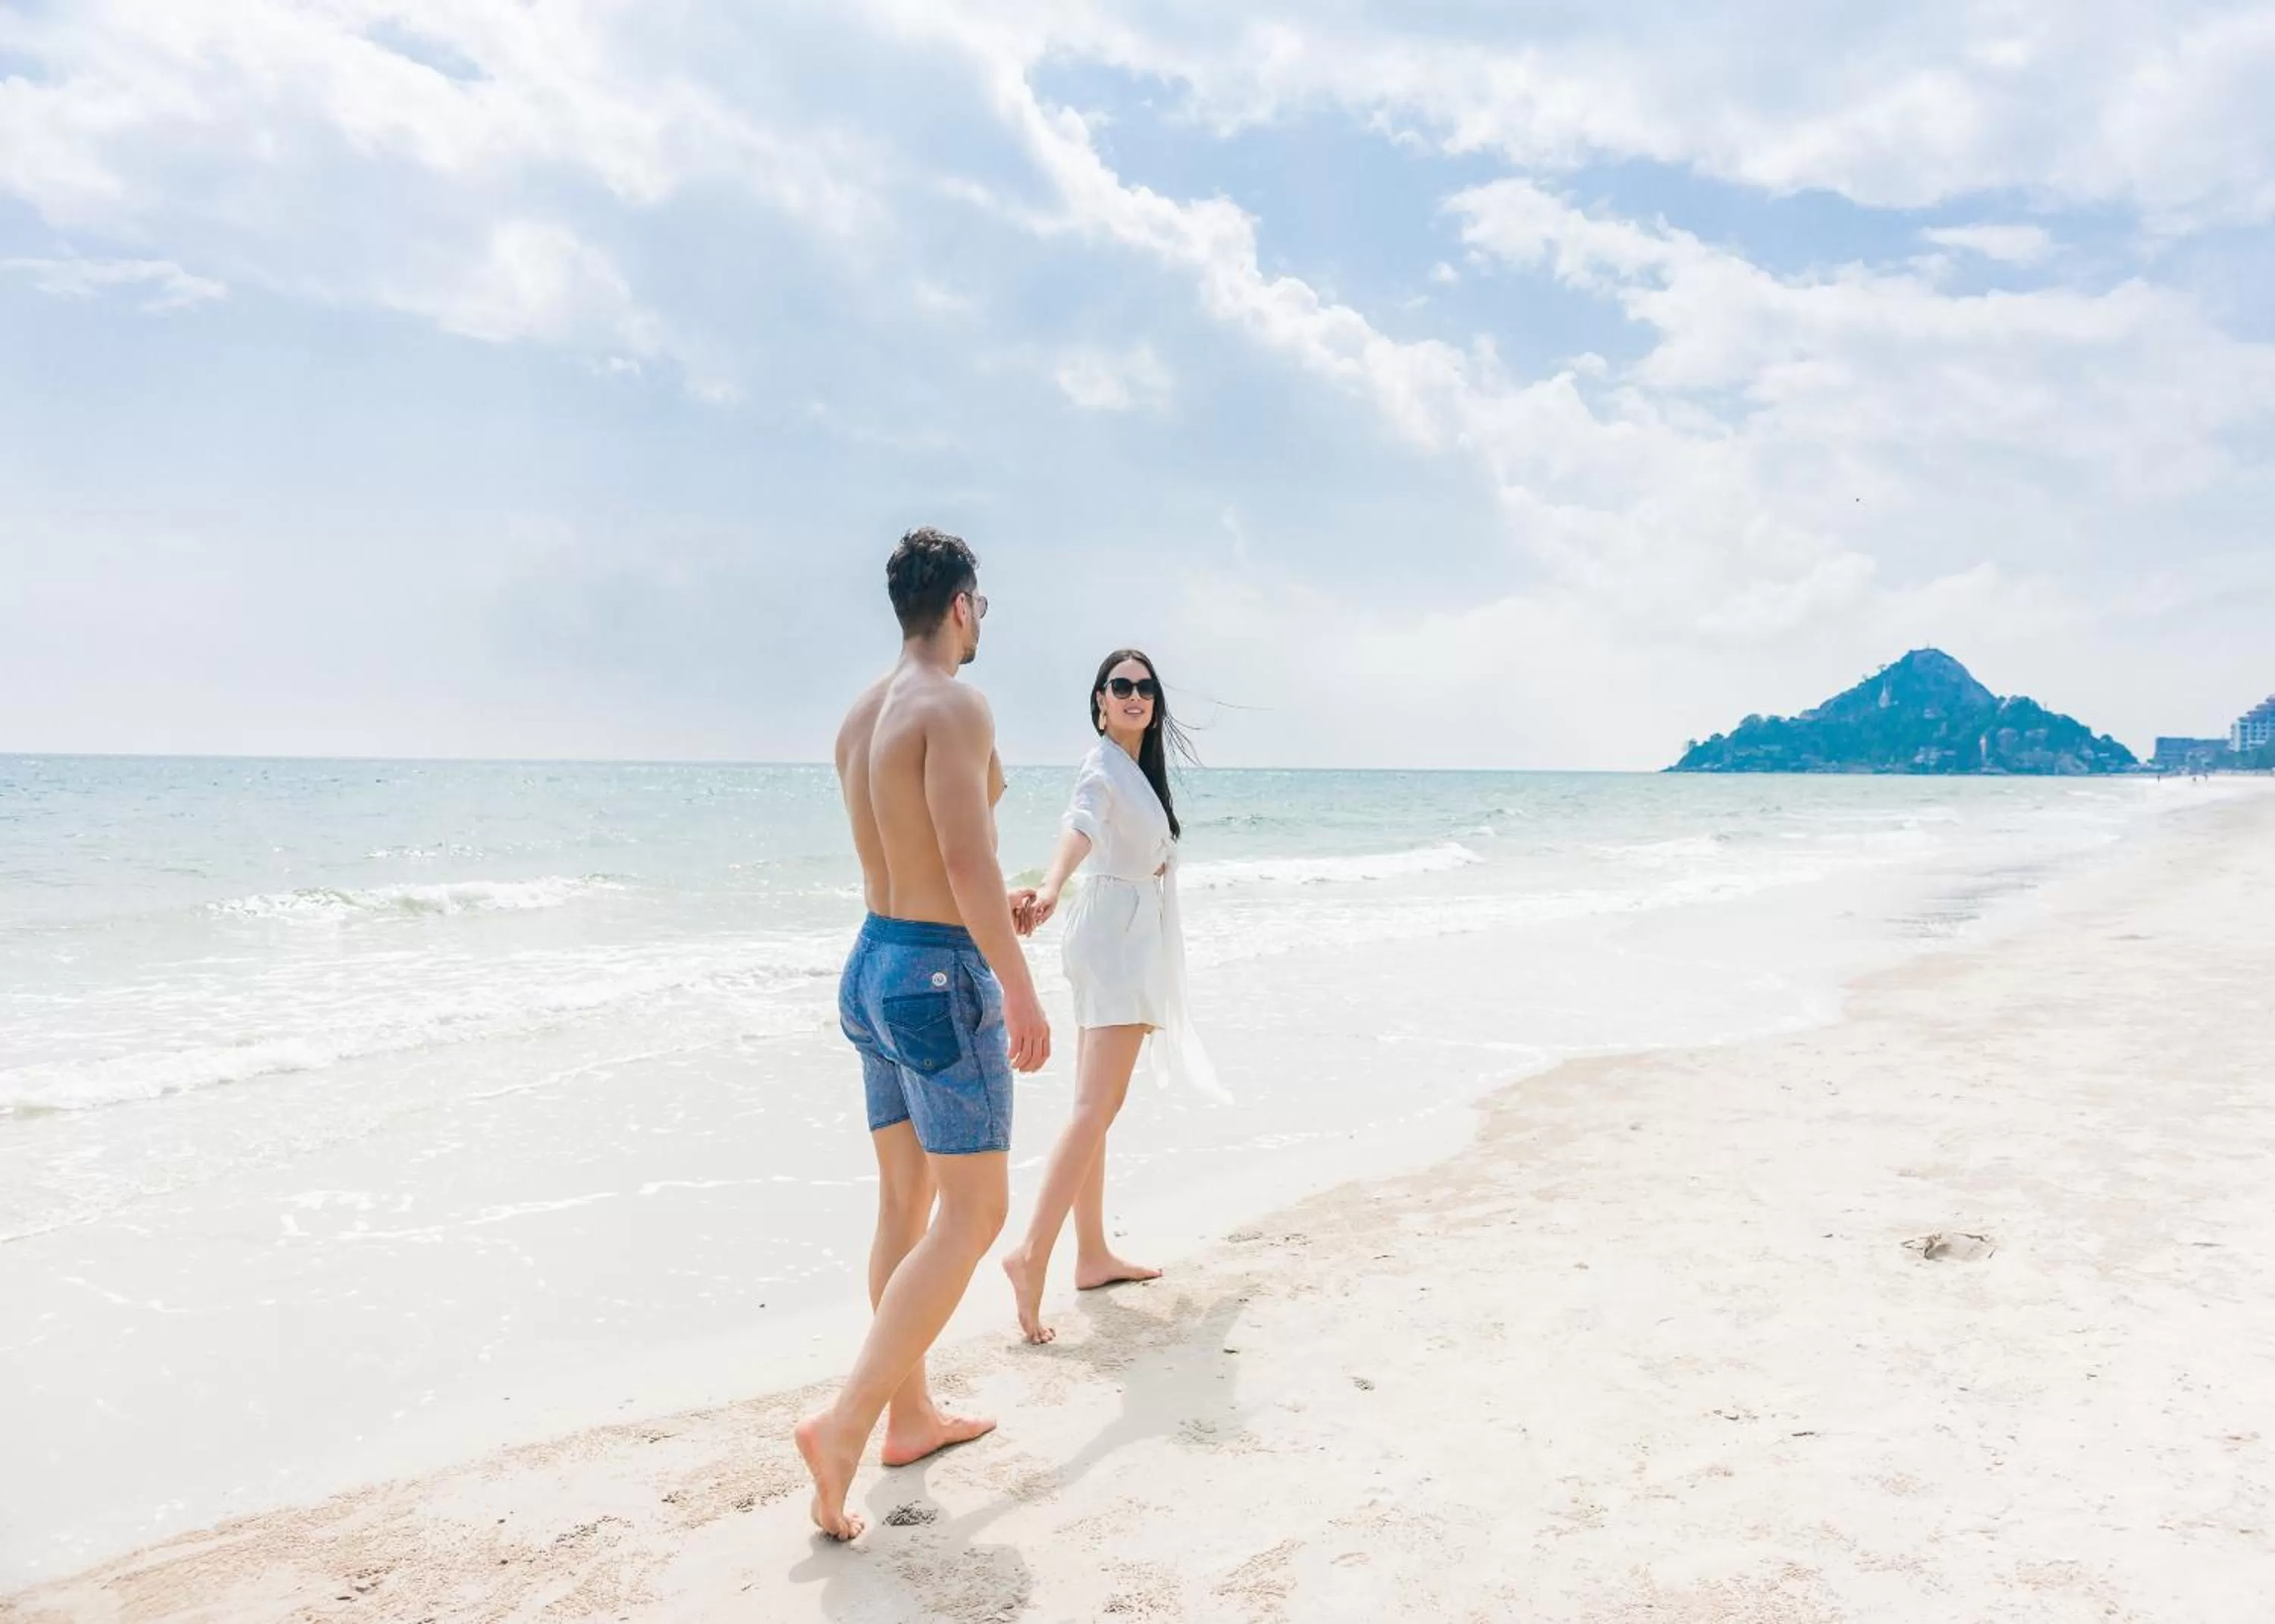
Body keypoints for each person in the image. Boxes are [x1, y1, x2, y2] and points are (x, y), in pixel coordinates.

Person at [794, 527, 1053, 1542]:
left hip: (873, 963)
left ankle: (911, 1414)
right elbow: (961, 853)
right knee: (975, 1211)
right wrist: (1019, 985)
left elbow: (944, 863)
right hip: (938, 978)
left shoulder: (863, 714)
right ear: (962, 606)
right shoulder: (957, 702)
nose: (980, 622)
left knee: (905, 1200)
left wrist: (1004, 912)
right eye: (980, 608)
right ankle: (848, 1420)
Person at [1001, 649, 1219, 1345]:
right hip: (1113, 936)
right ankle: (1031, 1252)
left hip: (1116, 933)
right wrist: (1052, 883)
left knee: (1092, 1107)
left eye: (1144, 688)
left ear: (1154, 705)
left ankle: (1091, 1254)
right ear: (1099, 701)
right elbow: (1081, 824)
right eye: (1120, 686)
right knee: (1097, 1107)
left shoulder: (1133, 771)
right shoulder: (1102, 767)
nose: (1133, 696)